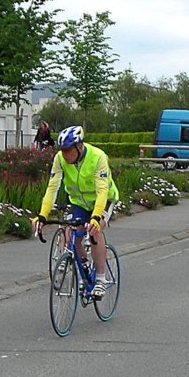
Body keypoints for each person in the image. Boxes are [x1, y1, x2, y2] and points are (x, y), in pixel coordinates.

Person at [32, 126, 119, 300]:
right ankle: (84, 266)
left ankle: (101, 279)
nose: (64, 155)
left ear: (80, 147)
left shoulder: (98, 157)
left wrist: (96, 218)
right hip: (79, 202)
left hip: (103, 200)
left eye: (68, 150)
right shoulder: (60, 159)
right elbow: (52, 187)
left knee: (94, 232)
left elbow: (102, 190)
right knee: (71, 233)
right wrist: (42, 215)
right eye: (62, 150)